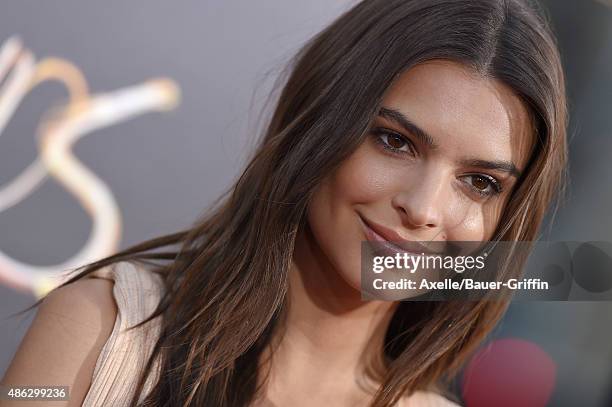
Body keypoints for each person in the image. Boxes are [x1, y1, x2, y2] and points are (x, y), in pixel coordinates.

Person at [1, 0, 568, 405]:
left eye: (480, 183)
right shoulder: (99, 331)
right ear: (319, 122)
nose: (423, 207)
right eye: (395, 141)